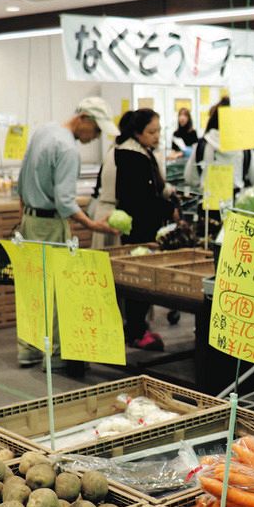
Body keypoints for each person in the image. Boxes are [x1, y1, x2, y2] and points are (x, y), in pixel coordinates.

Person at [14, 97, 119, 372]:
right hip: (50, 224)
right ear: (84, 118)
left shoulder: (43, 131)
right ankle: (59, 353)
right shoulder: (68, 149)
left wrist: (25, 216)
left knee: (32, 287)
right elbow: (65, 202)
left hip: (29, 220)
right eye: (96, 130)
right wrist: (94, 225)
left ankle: (28, 349)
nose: (94, 137)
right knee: (58, 290)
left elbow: (21, 180)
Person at [94, 108, 178, 351]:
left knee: (128, 279)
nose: (157, 136)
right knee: (133, 279)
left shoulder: (131, 150)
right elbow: (139, 199)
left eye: (159, 130)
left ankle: (133, 327)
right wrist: (168, 209)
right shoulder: (131, 155)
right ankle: (135, 330)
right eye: (152, 131)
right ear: (137, 132)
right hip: (127, 225)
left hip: (121, 220)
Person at [184, 98, 254, 197]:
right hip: (235, 208)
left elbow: (189, 178)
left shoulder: (202, 145)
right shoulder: (245, 149)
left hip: (208, 206)